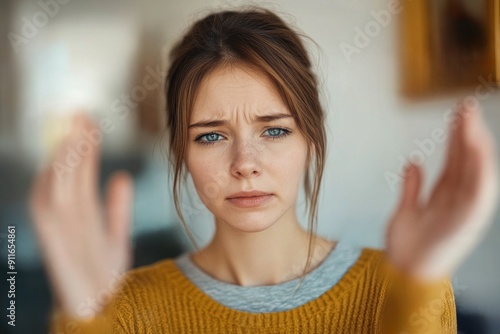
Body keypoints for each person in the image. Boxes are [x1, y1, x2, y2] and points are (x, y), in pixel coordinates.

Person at [28, 6, 498, 334]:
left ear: (311, 139)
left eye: (274, 130)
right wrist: (84, 321)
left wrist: (418, 291)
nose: (245, 165)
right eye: (210, 135)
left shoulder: (401, 287)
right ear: (180, 152)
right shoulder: (121, 311)